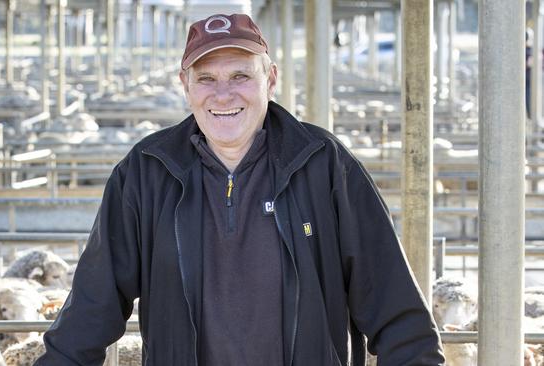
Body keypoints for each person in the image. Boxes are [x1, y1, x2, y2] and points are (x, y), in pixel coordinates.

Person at [35, 13, 445, 366]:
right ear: (185, 84)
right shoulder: (146, 173)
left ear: (270, 77)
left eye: (240, 76)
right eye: (207, 78)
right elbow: (93, 306)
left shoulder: (325, 165)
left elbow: (393, 306)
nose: (223, 94)